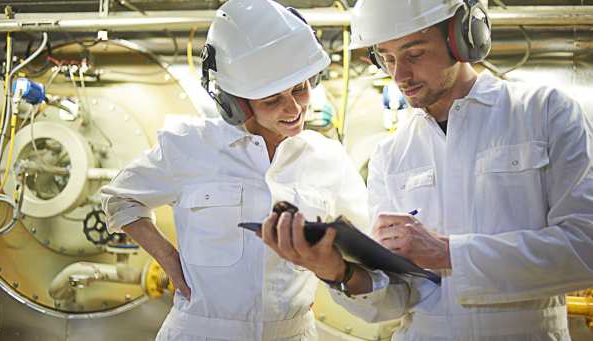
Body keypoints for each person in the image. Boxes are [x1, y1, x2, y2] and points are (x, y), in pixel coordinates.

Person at [259, 0, 593, 340]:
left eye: (414, 54)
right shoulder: (392, 153)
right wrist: (336, 272)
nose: (399, 75)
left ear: (462, 38)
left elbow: (586, 248)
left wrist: (448, 253)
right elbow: (395, 300)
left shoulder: (544, 114)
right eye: (386, 58)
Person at [100, 0, 368, 340]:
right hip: (201, 330)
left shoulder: (327, 159)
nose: (294, 108)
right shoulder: (189, 146)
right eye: (272, 99)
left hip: (292, 332)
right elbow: (120, 199)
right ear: (237, 104)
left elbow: (368, 245)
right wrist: (171, 262)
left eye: (300, 89)